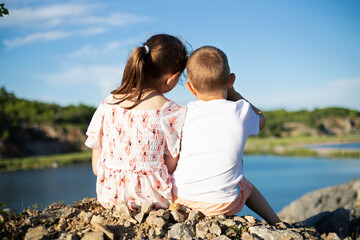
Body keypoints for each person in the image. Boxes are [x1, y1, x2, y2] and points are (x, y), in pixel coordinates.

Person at [171, 46, 281, 225]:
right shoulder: (241, 110)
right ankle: (276, 222)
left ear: (190, 88)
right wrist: (235, 94)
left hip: (180, 198)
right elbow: (262, 120)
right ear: (231, 80)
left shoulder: (184, 112)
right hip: (221, 205)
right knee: (246, 186)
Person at [85, 34, 188, 210]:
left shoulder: (108, 102)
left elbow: (96, 167)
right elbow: (171, 165)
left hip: (109, 196)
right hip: (154, 200)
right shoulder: (170, 111)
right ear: (172, 78)